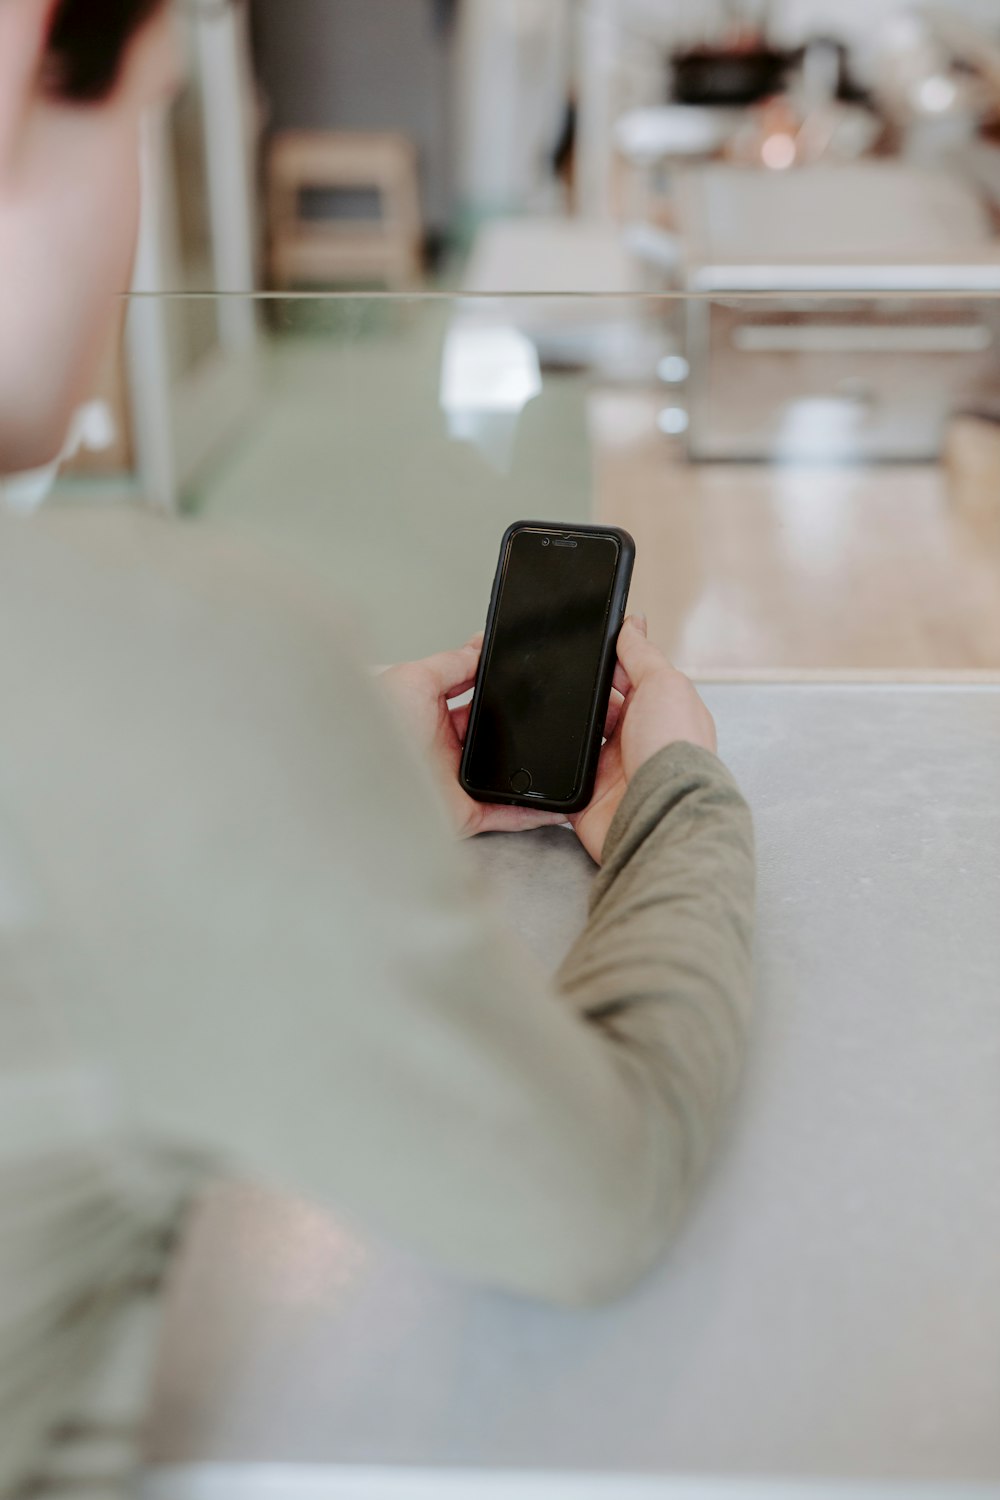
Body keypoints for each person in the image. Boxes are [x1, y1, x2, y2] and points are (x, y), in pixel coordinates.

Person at [0, 0, 755, 1491]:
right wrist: (680, 799)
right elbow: (585, 1202)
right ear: (25, 66)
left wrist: (294, 794)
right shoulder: (151, 665)